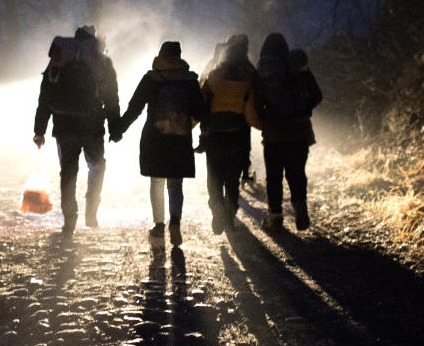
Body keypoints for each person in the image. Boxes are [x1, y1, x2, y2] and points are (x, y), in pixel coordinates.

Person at [116, 41, 207, 261]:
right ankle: (175, 222)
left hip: (154, 138)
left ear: (161, 55)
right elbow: (200, 111)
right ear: (179, 56)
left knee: (156, 182)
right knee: (175, 184)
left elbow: (135, 107)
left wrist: (118, 129)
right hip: (180, 137)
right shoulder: (189, 80)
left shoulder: (151, 78)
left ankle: (158, 227)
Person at [33, 25, 120, 237]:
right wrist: (115, 127)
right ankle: (91, 210)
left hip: (64, 128)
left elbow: (45, 97)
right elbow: (111, 98)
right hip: (92, 126)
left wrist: (39, 129)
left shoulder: (60, 59)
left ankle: (69, 221)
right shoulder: (102, 62)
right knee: (97, 165)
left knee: (68, 173)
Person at [257, 32, 323, 231]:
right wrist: (303, 110)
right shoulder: (298, 68)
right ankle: (300, 208)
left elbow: (257, 101)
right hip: (299, 132)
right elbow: (317, 95)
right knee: (297, 173)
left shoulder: (263, 70)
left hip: (273, 134)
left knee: (274, 176)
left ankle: (275, 216)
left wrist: (265, 120)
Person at [200, 34, 261, 234]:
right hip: (238, 135)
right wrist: (263, 125)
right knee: (232, 180)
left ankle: (216, 207)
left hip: (214, 135)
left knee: (214, 177)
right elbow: (251, 113)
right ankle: (229, 214)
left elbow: (201, 104)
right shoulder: (249, 76)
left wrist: (188, 126)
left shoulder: (213, 76)